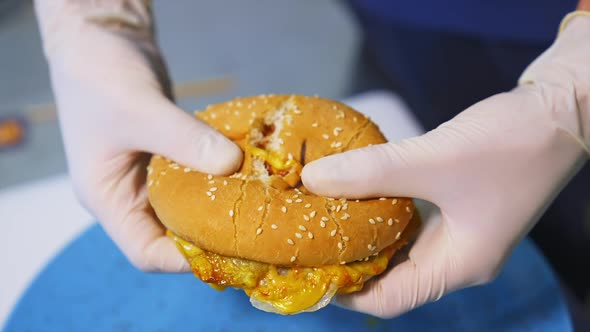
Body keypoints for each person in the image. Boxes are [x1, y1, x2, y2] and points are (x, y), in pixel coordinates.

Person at [34, 0, 589, 323]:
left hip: (543, 19)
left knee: (564, 248)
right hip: (396, 18)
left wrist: (574, 91)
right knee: (395, 96)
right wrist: (91, 20)